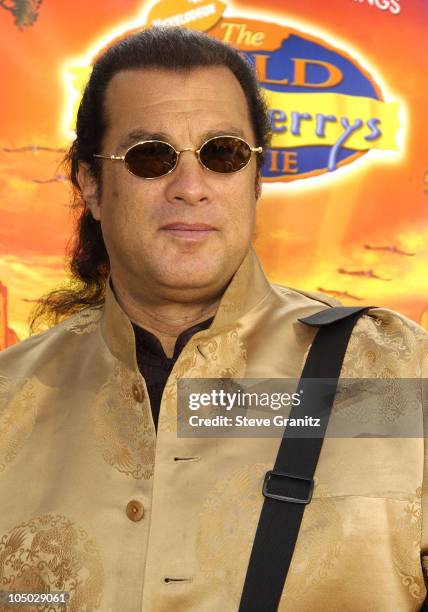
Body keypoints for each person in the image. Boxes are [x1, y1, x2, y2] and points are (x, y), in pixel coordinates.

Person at [0, 26, 427, 612]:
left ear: (256, 178)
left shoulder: (398, 374)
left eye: (222, 153)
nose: (191, 188)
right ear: (91, 185)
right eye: (151, 158)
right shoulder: (8, 398)